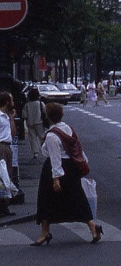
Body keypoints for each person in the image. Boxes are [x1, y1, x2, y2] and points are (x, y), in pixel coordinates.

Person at [32, 102, 102, 245]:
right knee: (78, 197)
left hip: (55, 168)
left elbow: (55, 158)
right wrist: (83, 162)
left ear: (48, 117)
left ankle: (45, 232)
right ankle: (93, 226)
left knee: (45, 199)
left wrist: (56, 178)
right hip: (72, 167)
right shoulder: (69, 129)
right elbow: (76, 148)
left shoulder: (52, 135)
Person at [0, 92, 17, 216]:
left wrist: (11, 118)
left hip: (7, 146)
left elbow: (13, 133)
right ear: (6, 102)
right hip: (1, 146)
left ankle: (4, 206)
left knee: (7, 176)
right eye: (11, 100)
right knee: (2, 176)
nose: (13, 102)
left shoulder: (6, 116)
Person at [22, 87, 47, 161]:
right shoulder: (40, 103)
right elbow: (45, 112)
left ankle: (35, 153)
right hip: (39, 122)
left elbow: (24, 115)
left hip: (30, 122)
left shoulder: (27, 104)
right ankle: (45, 149)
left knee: (32, 138)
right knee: (42, 136)